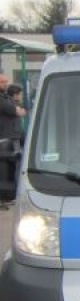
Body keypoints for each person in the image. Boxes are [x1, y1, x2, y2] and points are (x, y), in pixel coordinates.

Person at [0, 76, 26, 208]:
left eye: (6, 82)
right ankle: (4, 197)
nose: (6, 84)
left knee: (12, 167)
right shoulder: (2, 99)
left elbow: (19, 111)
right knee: (5, 169)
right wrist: (17, 110)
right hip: (5, 139)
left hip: (13, 137)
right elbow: (13, 110)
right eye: (3, 82)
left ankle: (8, 196)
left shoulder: (6, 98)